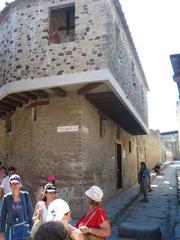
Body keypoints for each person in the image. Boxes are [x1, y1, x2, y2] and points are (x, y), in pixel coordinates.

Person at [0, 174, 34, 240]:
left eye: (17, 183)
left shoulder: (25, 195)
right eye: (13, 183)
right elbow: (3, 216)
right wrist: (1, 232)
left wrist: (32, 230)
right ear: (10, 185)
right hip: (11, 230)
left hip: (25, 229)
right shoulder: (6, 198)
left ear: (20, 184)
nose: (15, 185)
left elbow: (30, 213)